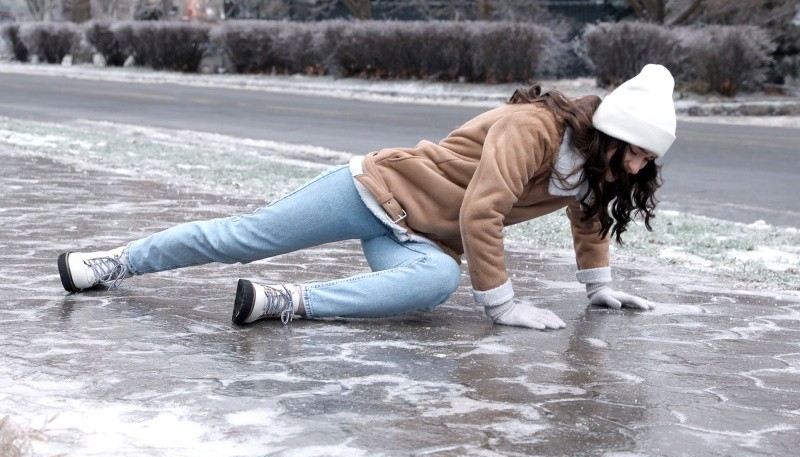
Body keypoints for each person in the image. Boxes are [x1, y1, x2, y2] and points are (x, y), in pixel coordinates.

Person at [57, 64, 676, 330]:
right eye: (639, 151)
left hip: (422, 236)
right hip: (374, 189)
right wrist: (503, 306)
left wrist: (598, 288)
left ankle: (284, 302)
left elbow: (590, 213)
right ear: (610, 134)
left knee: (432, 285)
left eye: (650, 158)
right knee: (244, 239)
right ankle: (111, 262)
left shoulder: (596, 165)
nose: (642, 165)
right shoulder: (534, 129)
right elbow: (482, 210)